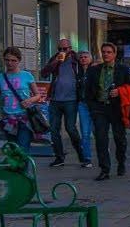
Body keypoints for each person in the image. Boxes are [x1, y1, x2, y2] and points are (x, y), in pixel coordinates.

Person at [0, 46, 44, 152]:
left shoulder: (26, 75)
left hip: (24, 118)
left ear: (19, 61)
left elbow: (38, 95)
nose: (9, 63)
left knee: (22, 150)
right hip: (8, 119)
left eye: (13, 60)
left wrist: (29, 100)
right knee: (13, 149)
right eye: (7, 60)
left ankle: (24, 168)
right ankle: (15, 168)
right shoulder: (0, 77)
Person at [85, 43, 130, 180]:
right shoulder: (94, 70)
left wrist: (120, 91)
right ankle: (104, 169)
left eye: (109, 52)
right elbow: (88, 90)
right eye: (104, 52)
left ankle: (121, 162)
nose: (105, 54)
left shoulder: (123, 70)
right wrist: (92, 107)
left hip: (117, 109)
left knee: (120, 138)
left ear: (114, 54)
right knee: (101, 139)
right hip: (99, 108)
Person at [39, 38, 88, 167]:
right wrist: (56, 61)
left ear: (70, 48)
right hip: (55, 99)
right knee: (54, 129)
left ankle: (81, 154)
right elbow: (44, 73)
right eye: (59, 49)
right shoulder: (55, 59)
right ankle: (59, 157)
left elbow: (85, 70)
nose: (62, 51)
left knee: (70, 128)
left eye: (64, 49)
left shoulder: (76, 59)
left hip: (71, 100)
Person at [75, 50, 95, 166]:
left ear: (90, 59)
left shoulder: (95, 71)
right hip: (82, 105)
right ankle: (87, 158)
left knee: (97, 131)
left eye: (86, 57)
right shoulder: (78, 73)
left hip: (94, 105)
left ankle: (104, 153)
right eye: (81, 57)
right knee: (85, 132)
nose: (83, 59)